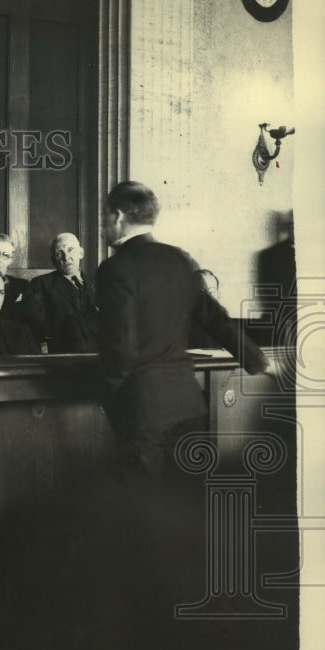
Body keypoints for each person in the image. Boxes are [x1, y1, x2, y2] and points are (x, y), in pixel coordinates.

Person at [97, 181, 275, 478]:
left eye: (104, 216)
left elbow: (121, 345)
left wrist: (109, 393)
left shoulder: (115, 268)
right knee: (183, 508)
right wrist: (259, 362)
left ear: (118, 216)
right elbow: (216, 319)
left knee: (145, 510)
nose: (103, 225)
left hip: (142, 410)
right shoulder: (179, 259)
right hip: (189, 405)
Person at [22, 232, 98, 353]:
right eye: (59, 253)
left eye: (70, 250)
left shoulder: (98, 282)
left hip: (98, 353)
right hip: (62, 353)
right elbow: (36, 324)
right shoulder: (40, 284)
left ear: (81, 253)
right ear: (53, 259)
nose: (66, 257)